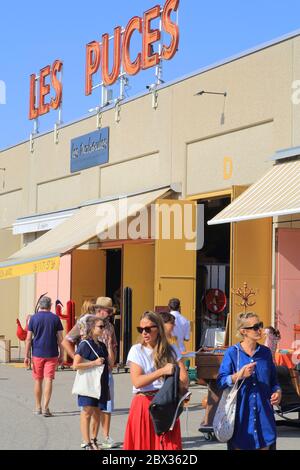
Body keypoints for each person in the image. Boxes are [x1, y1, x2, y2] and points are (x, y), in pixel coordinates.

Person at [123, 311, 189, 450]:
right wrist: (162, 371)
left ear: (158, 328)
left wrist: (180, 389)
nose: (144, 333)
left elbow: (184, 378)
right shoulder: (137, 350)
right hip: (144, 404)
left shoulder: (171, 350)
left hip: (166, 404)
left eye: (148, 329)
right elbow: (137, 381)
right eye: (141, 329)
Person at [217, 312, 282, 450]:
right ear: (243, 331)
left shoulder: (265, 353)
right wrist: (239, 375)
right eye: (255, 326)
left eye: (261, 325)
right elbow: (221, 381)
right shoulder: (232, 353)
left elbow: (274, 381)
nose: (260, 329)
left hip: (264, 419)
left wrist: (277, 391)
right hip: (241, 420)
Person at [62, 296, 117, 449]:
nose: (110, 315)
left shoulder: (110, 327)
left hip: (105, 373)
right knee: (88, 410)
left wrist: (111, 356)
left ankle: (100, 438)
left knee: (103, 408)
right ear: (100, 310)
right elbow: (66, 341)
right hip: (89, 374)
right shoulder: (84, 324)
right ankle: (87, 441)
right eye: (108, 311)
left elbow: (112, 348)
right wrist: (81, 360)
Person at [73, 315, 112, 450]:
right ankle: (86, 442)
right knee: (87, 412)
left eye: (104, 326)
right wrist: (93, 363)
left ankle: (94, 440)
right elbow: (75, 365)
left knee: (97, 412)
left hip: (101, 383)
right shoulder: (85, 344)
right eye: (100, 327)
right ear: (91, 328)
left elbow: (110, 364)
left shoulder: (101, 345)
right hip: (89, 383)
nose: (103, 329)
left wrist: (111, 343)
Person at [24, 296, 64, 417]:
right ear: (50, 305)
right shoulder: (55, 318)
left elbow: (28, 339)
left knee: (38, 380)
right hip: (52, 353)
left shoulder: (33, 318)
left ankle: (37, 407)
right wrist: (62, 354)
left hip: (37, 353)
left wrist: (26, 356)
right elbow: (60, 339)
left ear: (40, 305)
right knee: (48, 380)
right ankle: (46, 408)